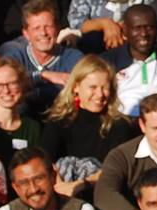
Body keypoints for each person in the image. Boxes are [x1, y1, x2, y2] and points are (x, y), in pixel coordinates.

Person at [40, 55, 137, 196]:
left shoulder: (119, 125)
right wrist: (61, 186)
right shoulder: (59, 121)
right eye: (93, 87)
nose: (99, 94)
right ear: (76, 87)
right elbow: (45, 159)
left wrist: (80, 186)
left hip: (102, 194)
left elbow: (116, 169)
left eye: (105, 88)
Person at [0, 0, 83, 116]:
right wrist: (44, 76)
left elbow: (79, 89)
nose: (43, 33)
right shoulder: (14, 59)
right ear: (26, 34)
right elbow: (5, 88)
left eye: (48, 26)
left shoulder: (74, 58)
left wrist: (28, 93)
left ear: (58, 29)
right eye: (36, 28)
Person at [101, 4, 157, 119]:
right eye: (137, 28)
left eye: (149, 27)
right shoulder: (109, 61)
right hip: (122, 124)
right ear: (125, 31)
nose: (144, 34)